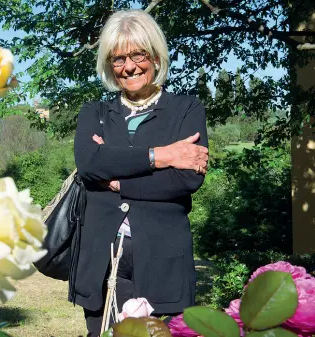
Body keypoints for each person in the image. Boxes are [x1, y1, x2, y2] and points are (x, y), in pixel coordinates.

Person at [73, 9, 209, 337]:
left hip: (165, 259)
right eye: (119, 58)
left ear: (156, 55)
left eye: (138, 54)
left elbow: (187, 178)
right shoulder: (96, 113)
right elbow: (90, 164)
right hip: (105, 258)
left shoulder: (186, 110)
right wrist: (162, 155)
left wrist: (119, 179)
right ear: (108, 63)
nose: (129, 66)